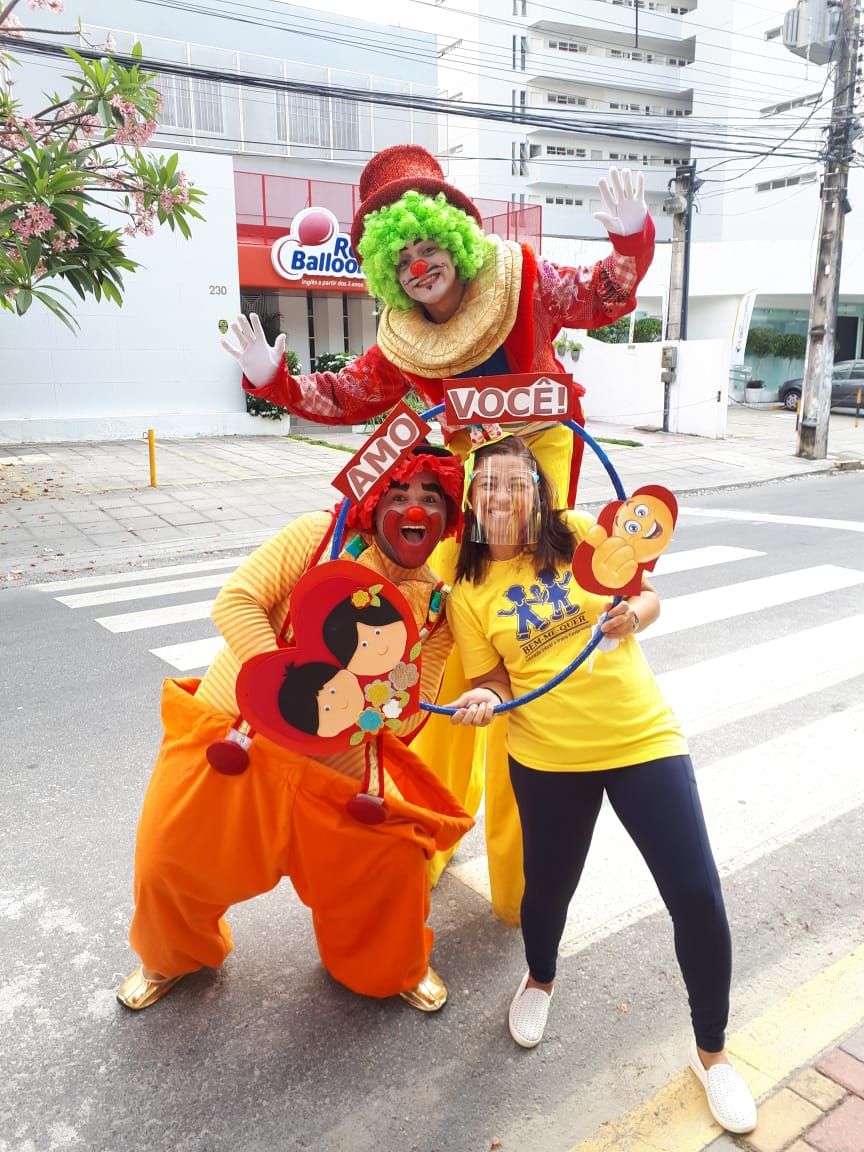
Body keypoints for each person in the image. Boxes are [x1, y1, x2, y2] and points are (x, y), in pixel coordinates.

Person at [221, 145, 656, 922]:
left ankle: (526, 880)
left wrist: (631, 239)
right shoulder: (400, 339)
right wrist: (272, 380)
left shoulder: (521, 279)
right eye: (402, 259)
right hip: (467, 490)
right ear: (389, 272)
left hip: (541, 482)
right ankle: (429, 832)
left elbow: (602, 295)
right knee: (446, 660)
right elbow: (348, 394)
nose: (420, 266)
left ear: (452, 238)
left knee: (528, 672)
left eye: (427, 246)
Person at [444, 434, 758, 1136]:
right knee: (547, 892)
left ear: (539, 492)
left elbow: (646, 595)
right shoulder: (469, 591)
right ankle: (540, 977)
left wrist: (631, 614)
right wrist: (487, 697)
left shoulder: (582, 534)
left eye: (517, 483)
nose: (501, 496)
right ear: (472, 499)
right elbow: (493, 678)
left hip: (641, 738)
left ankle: (712, 1053)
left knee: (698, 894)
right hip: (547, 757)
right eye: (488, 484)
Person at [116, 443, 472, 1015]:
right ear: (374, 500)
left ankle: (389, 966)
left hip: (337, 766)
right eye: (400, 493)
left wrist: (385, 699)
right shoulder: (317, 536)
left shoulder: (436, 605)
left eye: (431, 497)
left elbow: (411, 713)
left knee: (392, 864)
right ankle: (167, 957)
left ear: (448, 514)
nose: (415, 509)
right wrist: (288, 684)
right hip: (236, 735)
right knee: (169, 859)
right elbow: (236, 602)